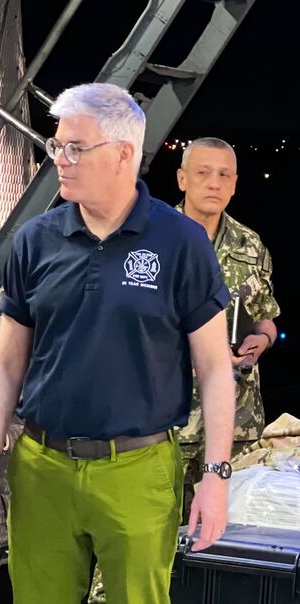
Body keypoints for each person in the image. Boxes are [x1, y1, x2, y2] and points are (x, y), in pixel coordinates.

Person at [0, 83, 235, 604]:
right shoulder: (35, 240)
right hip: (42, 468)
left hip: (138, 470)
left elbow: (216, 368)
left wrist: (216, 477)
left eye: (76, 148)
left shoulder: (181, 242)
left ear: (124, 153)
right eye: (56, 145)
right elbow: (4, 366)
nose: (60, 160)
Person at [175, 136, 280, 516]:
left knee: (226, 543)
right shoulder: (153, 241)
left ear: (235, 184)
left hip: (236, 424)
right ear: (182, 179)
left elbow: (266, 314)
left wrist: (261, 340)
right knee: (147, 540)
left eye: (224, 175)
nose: (214, 183)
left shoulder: (250, 244)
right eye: (203, 173)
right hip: (165, 423)